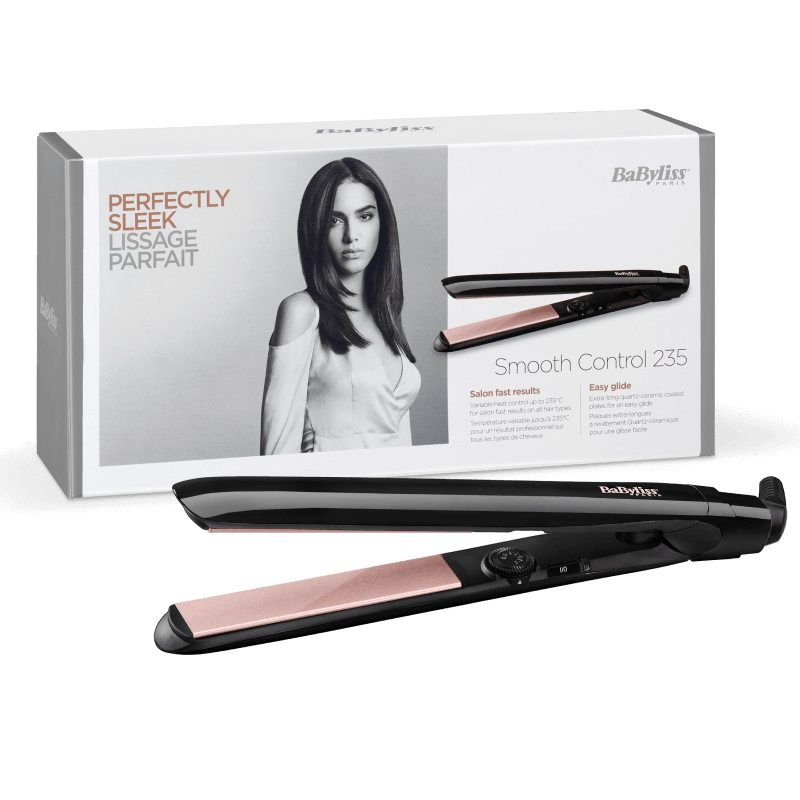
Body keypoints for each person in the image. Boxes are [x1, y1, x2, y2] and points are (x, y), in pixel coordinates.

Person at [260, 157, 420, 455]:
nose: (351, 235)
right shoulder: (302, 312)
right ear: (315, 229)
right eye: (334, 220)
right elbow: (276, 455)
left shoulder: (386, 317)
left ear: (382, 223)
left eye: (365, 216)